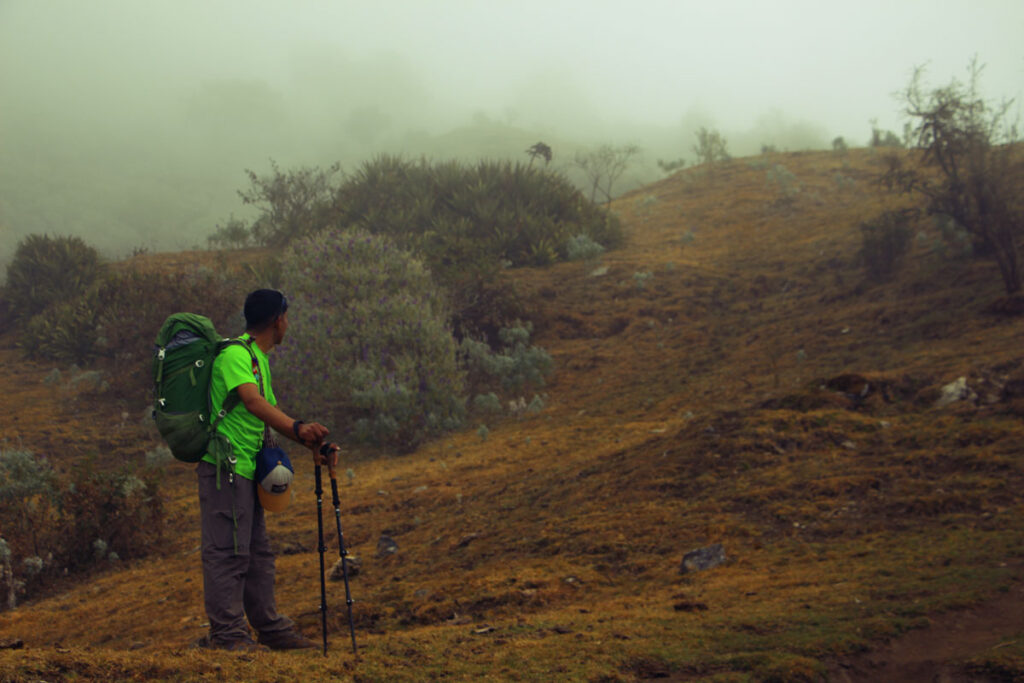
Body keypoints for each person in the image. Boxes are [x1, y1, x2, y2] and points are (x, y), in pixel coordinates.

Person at [195, 288, 339, 652]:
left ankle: (271, 630)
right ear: (279, 320)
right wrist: (297, 428)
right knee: (227, 552)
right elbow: (253, 401)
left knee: (257, 553)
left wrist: (313, 444)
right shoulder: (234, 354)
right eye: (286, 318)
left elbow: (267, 417)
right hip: (224, 468)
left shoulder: (257, 358)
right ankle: (228, 638)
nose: (287, 324)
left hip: (248, 467)